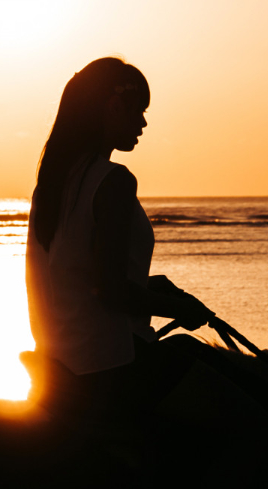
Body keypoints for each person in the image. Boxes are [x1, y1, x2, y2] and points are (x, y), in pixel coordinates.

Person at [25, 57, 212, 404]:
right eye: (138, 110)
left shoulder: (51, 185)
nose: (143, 122)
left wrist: (152, 288)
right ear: (113, 106)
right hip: (108, 366)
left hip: (58, 366)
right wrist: (181, 310)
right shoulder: (113, 181)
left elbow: (75, 280)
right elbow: (110, 291)